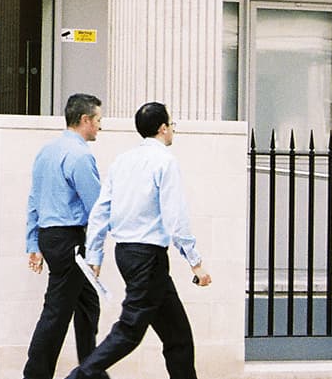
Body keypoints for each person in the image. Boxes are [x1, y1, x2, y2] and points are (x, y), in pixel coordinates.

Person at [65, 102, 212, 379]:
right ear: (163, 128)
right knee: (130, 330)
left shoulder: (123, 161)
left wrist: (95, 256)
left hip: (128, 254)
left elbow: (101, 210)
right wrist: (196, 263)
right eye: (172, 124)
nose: (173, 129)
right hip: (149, 257)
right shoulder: (165, 162)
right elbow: (175, 217)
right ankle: (80, 377)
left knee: (178, 335)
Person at [22, 93, 106, 379]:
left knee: (87, 304)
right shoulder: (80, 155)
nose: (100, 126)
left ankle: (91, 370)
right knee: (57, 311)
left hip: (51, 236)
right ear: (85, 120)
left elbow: (34, 199)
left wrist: (33, 243)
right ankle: (35, 375)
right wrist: (96, 253)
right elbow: (96, 208)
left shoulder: (47, 151)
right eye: (98, 120)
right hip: (69, 239)